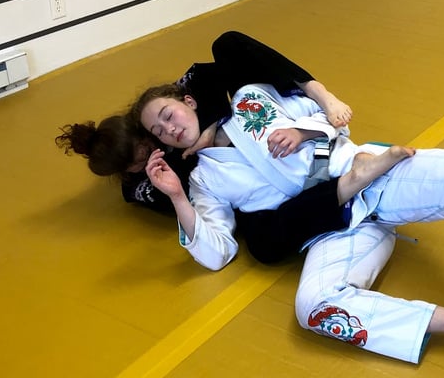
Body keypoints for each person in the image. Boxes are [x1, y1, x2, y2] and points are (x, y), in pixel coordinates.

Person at [136, 80, 444, 378]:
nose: (168, 129)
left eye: (168, 115)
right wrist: (177, 197)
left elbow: (328, 117)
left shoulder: (249, 98)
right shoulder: (203, 180)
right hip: (332, 232)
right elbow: (218, 252)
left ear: (188, 102)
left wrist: (304, 132)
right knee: (313, 308)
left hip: (371, 178)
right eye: (159, 131)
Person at [56, 31, 390, 263]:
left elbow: (211, 76)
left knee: (227, 44)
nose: (147, 158)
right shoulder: (142, 185)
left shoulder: (166, 115)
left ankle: (321, 95)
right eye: (135, 165)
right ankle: (341, 192)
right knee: (261, 245)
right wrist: (176, 190)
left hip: (256, 136)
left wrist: (214, 122)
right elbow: (194, 205)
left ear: (142, 133)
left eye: (146, 147)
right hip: (236, 186)